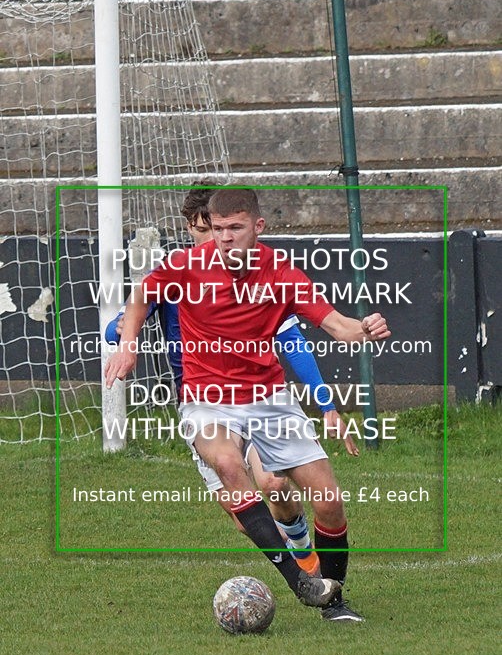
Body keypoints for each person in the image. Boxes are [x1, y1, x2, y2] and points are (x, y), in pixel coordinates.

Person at [105, 187, 390, 620]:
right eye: (217, 230)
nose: (223, 238)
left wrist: (366, 328)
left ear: (258, 227)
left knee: (328, 500)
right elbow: (142, 296)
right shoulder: (186, 267)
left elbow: (335, 325)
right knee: (228, 464)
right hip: (207, 399)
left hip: (269, 398)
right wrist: (128, 343)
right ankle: (303, 584)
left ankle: (334, 599)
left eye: (234, 228)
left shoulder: (281, 273)